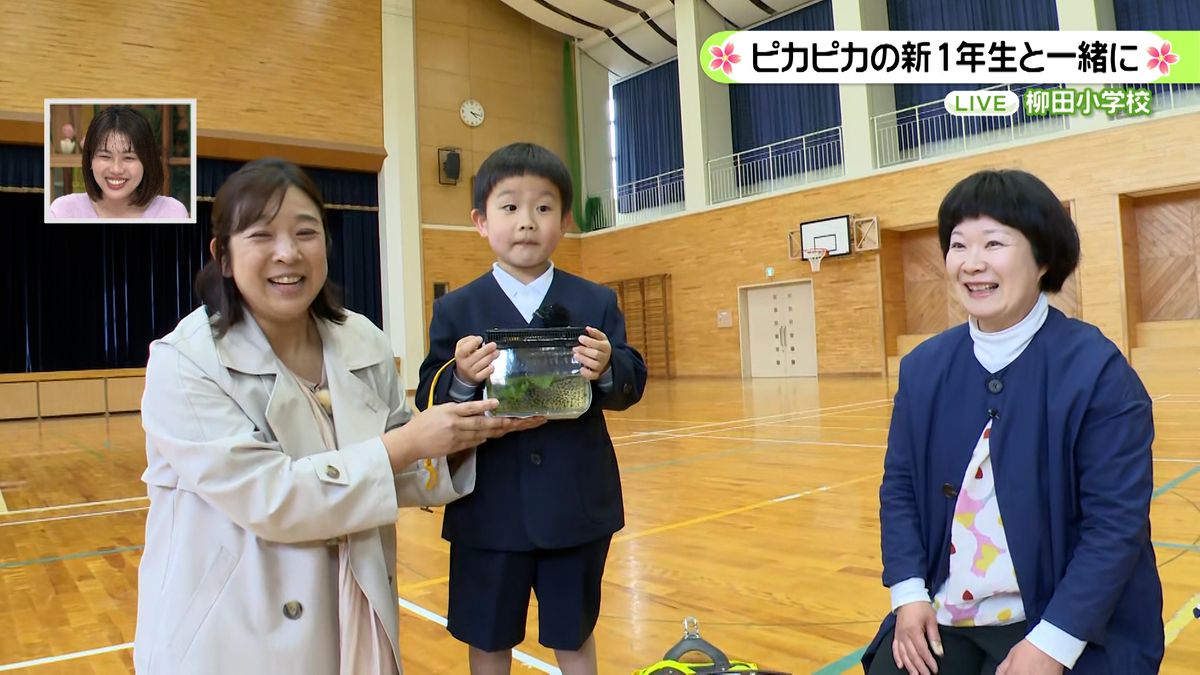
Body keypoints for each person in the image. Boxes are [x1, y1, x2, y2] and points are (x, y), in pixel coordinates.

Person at [135, 158, 541, 674]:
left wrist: (471, 431)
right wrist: (412, 442)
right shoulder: (186, 361)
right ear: (224, 256)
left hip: (353, 612)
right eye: (262, 235)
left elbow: (401, 473)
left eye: (306, 232)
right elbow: (273, 498)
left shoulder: (361, 340)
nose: (288, 253)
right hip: (233, 630)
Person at [865, 169, 1163, 675]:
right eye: (959, 245)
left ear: (1043, 258)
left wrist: (1054, 641)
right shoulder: (923, 368)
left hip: (1069, 618)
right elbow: (899, 487)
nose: (972, 263)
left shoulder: (1098, 371)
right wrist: (909, 594)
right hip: (948, 609)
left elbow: (1115, 527)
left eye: (994, 243)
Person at [415, 142, 647, 675]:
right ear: (480, 221)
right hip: (487, 511)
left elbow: (631, 384)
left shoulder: (595, 301)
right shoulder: (457, 308)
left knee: (575, 632)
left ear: (564, 221)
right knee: (488, 638)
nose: (526, 222)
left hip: (576, 506)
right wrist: (460, 379)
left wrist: (609, 365)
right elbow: (430, 389)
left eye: (543, 208)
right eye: (509, 207)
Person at [48, 105, 189, 219]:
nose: (116, 169)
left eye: (129, 158)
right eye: (105, 156)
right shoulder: (63, 211)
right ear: (90, 160)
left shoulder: (172, 213)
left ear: (147, 162)